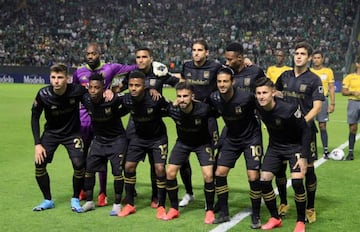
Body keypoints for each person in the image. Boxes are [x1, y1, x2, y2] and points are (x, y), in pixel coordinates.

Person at [72, 42, 137, 207]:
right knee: (84, 157)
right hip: (85, 118)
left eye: (93, 53)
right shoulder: (79, 72)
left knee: (105, 154)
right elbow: (74, 91)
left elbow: (133, 69)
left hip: (106, 115)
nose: (90, 56)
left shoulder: (110, 68)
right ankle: (83, 191)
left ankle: (102, 193)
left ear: (99, 54)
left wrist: (117, 89)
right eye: (88, 54)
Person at [118, 47, 180, 208]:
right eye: (138, 57)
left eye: (144, 57)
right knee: (126, 159)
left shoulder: (159, 73)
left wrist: (179, 99)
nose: (141, 60)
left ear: (150, 58)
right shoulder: (132, 75)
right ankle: (130, 193)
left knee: (156, 163)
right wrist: (111, 91)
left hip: (154, 117)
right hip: (135, 121)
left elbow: (178, 83)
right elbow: (119, 89)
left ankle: (156, 196)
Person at [275, 41, 324, 223]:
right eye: (296, 53)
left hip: (305, 131)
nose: (298, 56)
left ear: (309, 58)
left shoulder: (314, 80)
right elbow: (275, 92)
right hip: (283, 131)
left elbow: (317, 107)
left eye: (303, 53)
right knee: (279, 167)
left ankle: (310, 207)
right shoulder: (285, 75)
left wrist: (301, 122)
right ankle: (283, 202)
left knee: (308, 169)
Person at [209, 67, 262, 228]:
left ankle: (256, 215)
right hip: (232, 138)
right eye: (219, 81)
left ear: (233, 82)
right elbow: (204, 110)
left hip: (251, 138)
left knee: (253, 176)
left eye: (225, 81)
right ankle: (224, 212)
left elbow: (264, 107)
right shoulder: (215, 97)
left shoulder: (246, 98)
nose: (222, 84)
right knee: (219, 173)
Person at [255, 77, 309, 232]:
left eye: (264, 92)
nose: (261, 96)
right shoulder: (258, 106)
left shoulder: (289, 109)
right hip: (275, 148)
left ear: (273, 93)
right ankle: (275, 218)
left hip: (295, 147)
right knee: (264, 181)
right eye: (258, 93)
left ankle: (300, 222)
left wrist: (304, 156)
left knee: (298, 182)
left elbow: (305, 130)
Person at [31, 63, 87, 212]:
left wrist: (109, 92)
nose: (56, 81)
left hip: (72, 133)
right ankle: (47, 200)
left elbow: (94, 96)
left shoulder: (77, 91)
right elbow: (35, 117)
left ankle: (75, 199)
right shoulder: (43, 94)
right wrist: (37, 144)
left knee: (79, 164)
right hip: (51, 134)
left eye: (60, 77)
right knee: (39, 164)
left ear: (67, 78)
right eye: (53, 77)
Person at [162, 81, 216, 224]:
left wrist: (215, 142)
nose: (182, 99)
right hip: (183, 143)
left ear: (192, 96)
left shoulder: (204, 109)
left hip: (202, 143)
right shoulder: (173, 110)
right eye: (179, 96)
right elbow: (158, 107)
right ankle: (174, 208)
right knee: (170, 173)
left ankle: (210, 210)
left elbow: (216, 118)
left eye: (186, 96)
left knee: (209, 175)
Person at [117, 71, 168, 219]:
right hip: (138, 138)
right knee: (128, 167)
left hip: (158, 138)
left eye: (137, 86)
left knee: (159, 169)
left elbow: (170, 109)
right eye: (131, 85)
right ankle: (130, 204)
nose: (133, 88)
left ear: (144, 86)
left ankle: (161, 205)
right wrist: (108, 93)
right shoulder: (127, 99)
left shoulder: (155, 99)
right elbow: (116, 107)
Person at [179, 39, 222, 207]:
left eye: (199, 50)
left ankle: (211, 194)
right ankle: (189, 193)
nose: (196, 53)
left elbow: (232, 73)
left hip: (208, 117)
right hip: (188, 117)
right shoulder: (186, 66)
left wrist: (247, 63)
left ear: (207, 52)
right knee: (183, 156)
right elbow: (182, 85)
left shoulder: (215, 67)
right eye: (194, 50)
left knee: (211, 158)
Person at [79, 73, 128, 216]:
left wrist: (115, 94)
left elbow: (129, 99)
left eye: (97, 88)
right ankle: (89, 201)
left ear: (103, 88)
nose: (93, 90)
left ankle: (117, 204)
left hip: (117, 140)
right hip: (99, 140)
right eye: (91, 87)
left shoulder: (112, 99)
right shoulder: (86, 98)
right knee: (89, 169)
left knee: (117, 172)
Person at [310, 50, 335, 158]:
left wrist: (332, 103)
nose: (316, 60)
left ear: (322, 59)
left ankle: (325, 150)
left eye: (318, 58)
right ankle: (309, 148)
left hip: (323, 100)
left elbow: (331, 88)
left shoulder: (328, 71)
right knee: (307, 125)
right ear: (312, 59)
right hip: (309, 101)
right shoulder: (308, 71)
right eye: (314, 58)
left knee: (322, 125)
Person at [341, 56, 360, 161]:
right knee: (353, 128)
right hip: (353, 102)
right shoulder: (349, 77)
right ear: (357, 64)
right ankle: (351, 152)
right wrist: (352, 92)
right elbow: (344, 92)